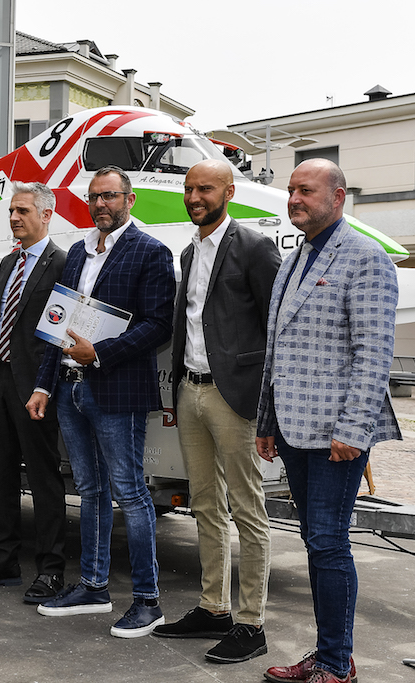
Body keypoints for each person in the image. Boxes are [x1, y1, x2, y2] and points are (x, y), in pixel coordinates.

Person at [256, 159, 401, 683]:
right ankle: (328, 654)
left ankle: (337, 664)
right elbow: (277, 350)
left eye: (307, 190)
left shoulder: (367, 258)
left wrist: (354, 430)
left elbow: (373, 353)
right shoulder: (294, 258)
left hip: (338, 433)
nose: (294, 199)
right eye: (291, 190)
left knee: (328, 543)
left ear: (338, 197)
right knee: (316, 542)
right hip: (294, 427)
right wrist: (266, 421)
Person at [27, 166, 175, 638]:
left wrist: (101, 353)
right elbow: (58, 323)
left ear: (130, 200)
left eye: (109, 196)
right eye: (94, 197)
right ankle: (93, 587)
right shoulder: (78, 251)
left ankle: (148, 601)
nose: (101, 204)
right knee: (90, 490)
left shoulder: (150, 251)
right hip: (70, 387)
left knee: (130, 492)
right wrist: (43, 386)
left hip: (115, 388)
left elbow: (159, 324)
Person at [155, 160, 281, 664]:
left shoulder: (254, 247)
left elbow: (275, 326)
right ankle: (214, 608)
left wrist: (268, 403)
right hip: (191, 391)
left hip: (235, 395)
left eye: (204, 188)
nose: (194, 197)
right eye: (188, 189)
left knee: (247, 509)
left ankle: (251, 624)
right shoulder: (189, 251)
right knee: (205, 505)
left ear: (229, 191)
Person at [0, 182, 68, 603]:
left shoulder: (62, 262)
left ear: (46, 215)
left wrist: (44, 385)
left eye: (23, 211)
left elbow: (60, 331)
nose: (14, 217)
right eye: (12, 211)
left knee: (43, 479)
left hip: (35, 385)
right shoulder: (7, 262)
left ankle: (51, 570)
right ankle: (2, 560)